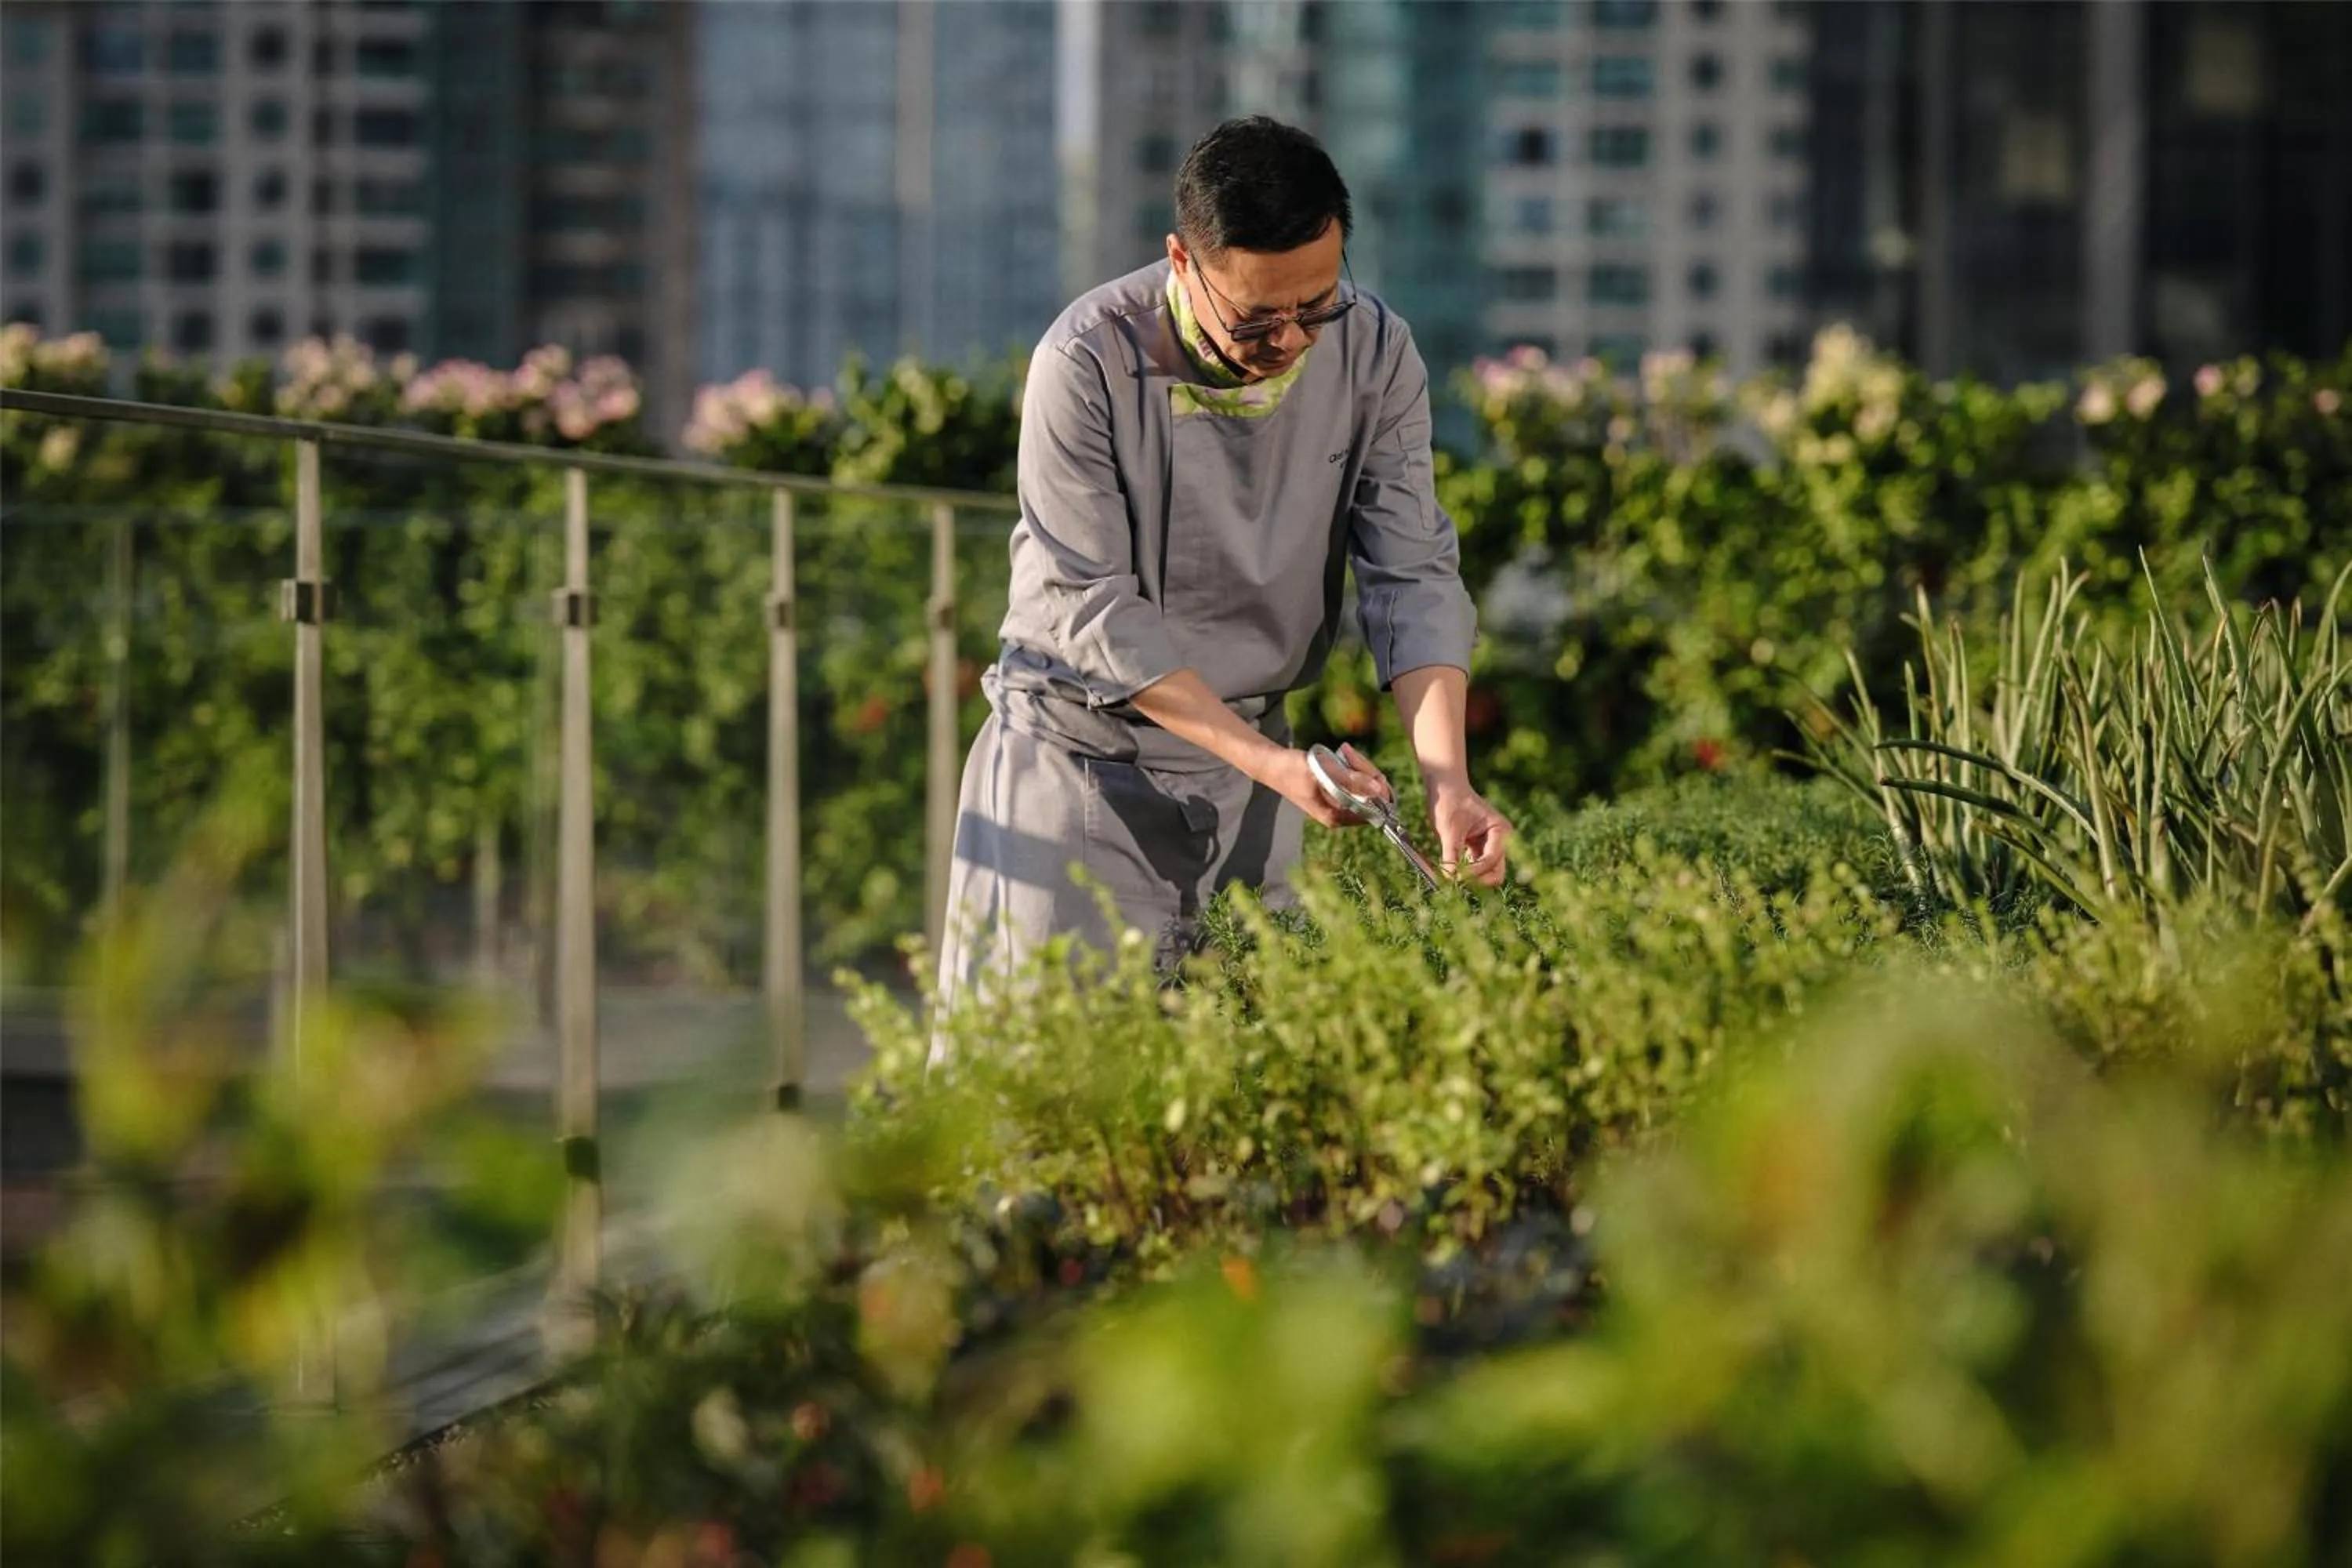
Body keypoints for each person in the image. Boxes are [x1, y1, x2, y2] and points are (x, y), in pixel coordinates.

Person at [936, 115, 1513, 1005]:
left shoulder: (1376, 351)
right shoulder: (1085, 358)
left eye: (1315, 304)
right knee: (1040, 1113)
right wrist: (1273, 765)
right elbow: (1093, 610)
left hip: (1248, 779)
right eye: (1257, 319)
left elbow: (1415, 574)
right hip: (1077, 771)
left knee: (1234, 1105)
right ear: (1180, 259)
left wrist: (1448, 781)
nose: (1291, 339)